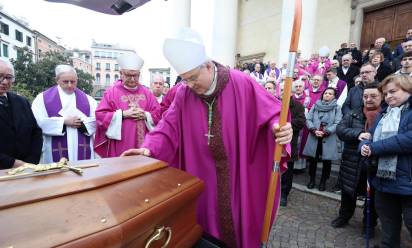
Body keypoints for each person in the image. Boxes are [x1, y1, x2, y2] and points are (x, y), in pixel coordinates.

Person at [121, 27, 293, 248]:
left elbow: (271, 112)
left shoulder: (241, 83)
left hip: (238, 173)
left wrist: (279, 127)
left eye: (193, 77)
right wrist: (148, 149)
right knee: (203, 227)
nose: (190, 84)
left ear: (209, 66)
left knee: (240, 225)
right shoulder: (184, 93)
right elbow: (168, 127)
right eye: (185, 80)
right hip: (201, 174)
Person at [360, 74, 412, 248]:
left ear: (407, 89)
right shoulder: (384, 114)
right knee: (388, 223)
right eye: (386, 93)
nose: (388, 96)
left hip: (408, 181)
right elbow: (369, 136)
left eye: (393, 91)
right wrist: (365, 146)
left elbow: (407, 140)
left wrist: (375, 147)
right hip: (384, 179)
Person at [331, 84, 381, 237]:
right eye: (365, 96)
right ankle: (344, 217)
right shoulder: (353, 114)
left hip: (375, 164)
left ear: (381, 97)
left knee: (372, 198)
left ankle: (369, 224)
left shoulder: (386, 115)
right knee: (347, 192)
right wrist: (358, 133)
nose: (368, 99)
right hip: (352, 162)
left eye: (373, 96)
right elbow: (340, 130)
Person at [94, 52, 160, 158]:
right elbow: (100, 115)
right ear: (121, 74)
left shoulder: (147, 92)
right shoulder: (111, 92)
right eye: (129, 75)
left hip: (144, 144)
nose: (133, 79)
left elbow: (158, 114)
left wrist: (145, 115)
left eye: (135, 76)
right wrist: (123, 114)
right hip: (121, 143)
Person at [32, 65, 97, 163]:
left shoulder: (89, 100)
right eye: (65, 82)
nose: (70, 85)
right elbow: (37, 122)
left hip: (82, 146)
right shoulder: (42, 99)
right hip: (53, 147)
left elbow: (96, 120)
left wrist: (82, 123)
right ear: (57, 80)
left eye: (73, 81)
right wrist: (63, 122)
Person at [0, 58, 43, 169]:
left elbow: (36, 132)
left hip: (26, 170)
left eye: (8, 77)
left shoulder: (22, 101)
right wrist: (13, 163)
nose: (4, 81)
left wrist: (31, 162)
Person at [303, 87, 342, 191]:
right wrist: (313, 129)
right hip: (314, 136)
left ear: (334, 96)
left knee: (326, 162)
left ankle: (323, 182)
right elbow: (308, 119)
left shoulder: (337, 108)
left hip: (328, 137)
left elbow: (338, 122)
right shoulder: (316, 105)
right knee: (313, 160)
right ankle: (312, 180)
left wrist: (326, 131)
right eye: (326, 93)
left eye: (330, 94)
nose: (327, 95)